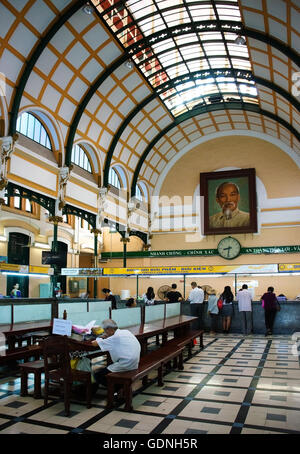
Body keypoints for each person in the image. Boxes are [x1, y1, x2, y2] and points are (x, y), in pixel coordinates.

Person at [91, 319, 141, 393]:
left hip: (126, 365)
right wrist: (106, 336)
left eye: (105, 330)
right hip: (135, 363)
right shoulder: (126, 332)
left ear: (109, 329)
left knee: (98, 375)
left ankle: (118, 390)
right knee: (108, 369)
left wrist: (101, 337)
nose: (105, 332)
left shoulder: (114, 338)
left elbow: (94, 343)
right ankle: (120, 386)